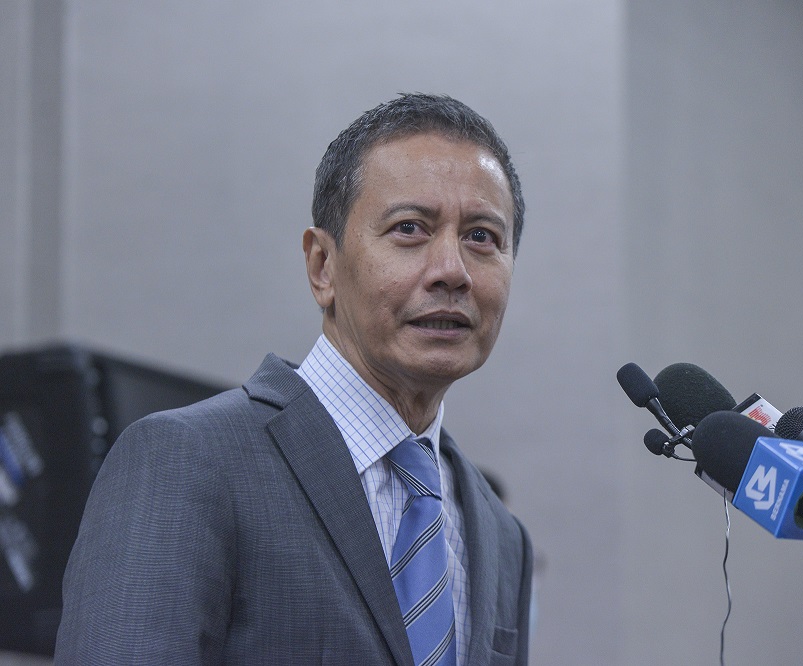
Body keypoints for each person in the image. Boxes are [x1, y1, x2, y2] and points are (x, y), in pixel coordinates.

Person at [55, 93, 533, 665]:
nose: (452, 271)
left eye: (482, 237)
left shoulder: (502, 536)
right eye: (410, 228)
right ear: (322, 266)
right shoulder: (185, 461)